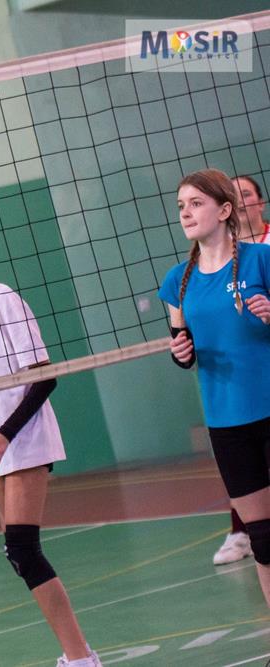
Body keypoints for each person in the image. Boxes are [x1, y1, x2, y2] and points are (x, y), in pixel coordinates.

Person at [0, 219, 101, 667]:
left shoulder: (3, 299)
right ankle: (77, 655)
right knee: (16, 554)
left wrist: (6, 433)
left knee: (24, 550)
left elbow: (45, 377)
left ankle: (81, 657)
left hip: (24, 438)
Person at [160, 168, 270, 606]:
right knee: (263, 539)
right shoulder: (178, 281)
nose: (186, 212)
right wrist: (181, 353)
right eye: (181, 206)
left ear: (225, 210)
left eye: (196, 203)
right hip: (227, 423)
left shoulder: (262, 260)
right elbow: (181, 347)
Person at [210, 174, 267, 566]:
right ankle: (241, 531)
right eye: (234, 195)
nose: (241, 200)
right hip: (239, 375)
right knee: (242, 456)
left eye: (246, 193)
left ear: (261, 202)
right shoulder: (218, 255)